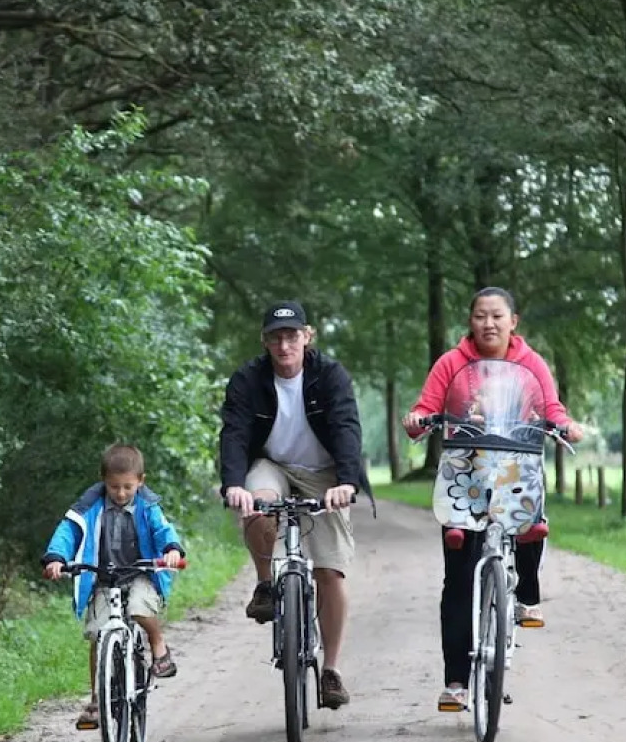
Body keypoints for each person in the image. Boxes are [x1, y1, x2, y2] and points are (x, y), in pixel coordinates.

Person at [402, 286, 585, 713]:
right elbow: (426, 407)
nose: (489, 323)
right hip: (465, 469)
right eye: (480, 316)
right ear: (470, 321)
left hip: (515, 463)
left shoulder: (531, 362)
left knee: (531, 518)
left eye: (497, 316)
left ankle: (526, 597)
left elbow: (552, 408)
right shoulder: (451, 362)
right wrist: (418, 419)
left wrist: (565, 426)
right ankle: (455, 682)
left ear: (513, 322)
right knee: (458, 580)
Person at [219, 300, 366, 710]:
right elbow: (234, 433)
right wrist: (234, 485)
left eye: (291, 336)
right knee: (258, 505)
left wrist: (347, 482)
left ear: (307, 336)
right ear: (265, 341)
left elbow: (346, 426)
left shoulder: (330, 375)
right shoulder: (248, 379)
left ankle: (331, 671)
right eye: (275, 338)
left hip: (325, 472)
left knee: (330, 571)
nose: (284, 346)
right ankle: (266, 584)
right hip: (274, 465)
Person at [42, 443, 185, 730]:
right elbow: (67, 532)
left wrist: (171, 548)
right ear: (103, 481)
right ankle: (97, 699)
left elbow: (162, 530)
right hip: (104, 577)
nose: (120, 493)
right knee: (98, 634)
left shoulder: (148, 507)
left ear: (140, 481)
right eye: (114, 487)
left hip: (140, 573)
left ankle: (157, 641)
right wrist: (56, 557)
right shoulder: (88, 507)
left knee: (139, 607)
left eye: (127, 487)